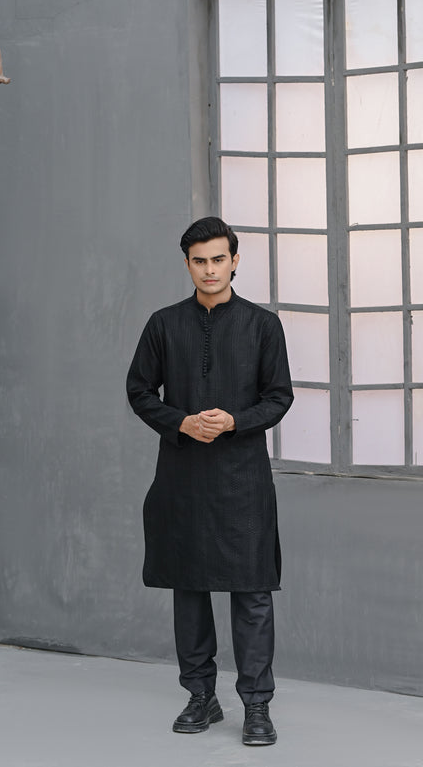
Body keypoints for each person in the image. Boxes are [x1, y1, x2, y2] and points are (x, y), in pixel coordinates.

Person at [126, 217, 293, 746]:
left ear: (235, 261)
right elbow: (139, 390)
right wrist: (181, 423)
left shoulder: (263, 326)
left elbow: (279, 397)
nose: (210, 269)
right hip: (183, 478)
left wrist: (235, 421)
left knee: (252, 592)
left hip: (243, 480)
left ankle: (257, 705)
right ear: (187, 264)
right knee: (190, 588)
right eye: (199, 261)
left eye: (219, 259)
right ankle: (201, 696)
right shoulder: (163, 324)